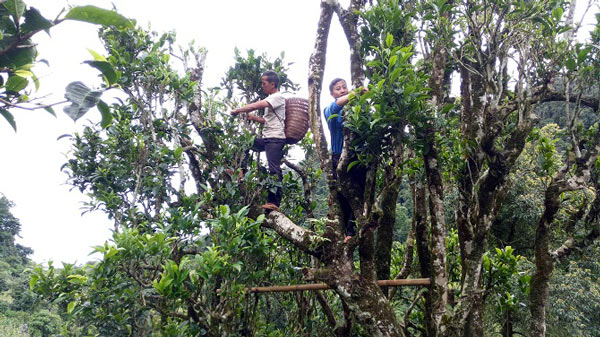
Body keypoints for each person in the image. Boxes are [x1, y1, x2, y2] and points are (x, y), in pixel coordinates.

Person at [231, 70, 286, 211]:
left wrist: (239, 110)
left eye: (264, 83)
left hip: (275, 139)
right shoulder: (272, 98)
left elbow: (257, 105)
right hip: (267, 138)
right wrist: (254, 118)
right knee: (246, 143)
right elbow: (267, 121)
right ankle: (241, 170)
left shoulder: (277, 97)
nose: (262, 86)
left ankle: (274, 202)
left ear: (272, 84)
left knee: (274, 169)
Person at [324, 78, 363, 243]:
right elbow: (336, 105)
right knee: (342, 194)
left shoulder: (357, 108)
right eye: (338, 88)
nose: (342, 90)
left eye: (344, 87)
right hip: (338, 156)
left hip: (358, 156)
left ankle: (352, 230)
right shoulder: (330, 110)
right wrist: (357, 93)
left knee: (360, 192)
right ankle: (343, 231)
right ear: (332, 93)